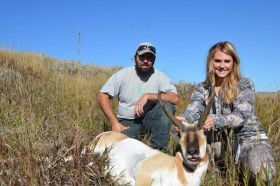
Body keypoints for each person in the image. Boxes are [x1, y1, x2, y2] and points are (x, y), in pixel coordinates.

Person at [177, 41, 276, 183]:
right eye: (217, 61)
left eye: (227, 61)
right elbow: (195, 107)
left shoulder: (244, 84)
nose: (222, 65)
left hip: (247, 140)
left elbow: (241, 116)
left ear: (234, 62)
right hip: (216, 143)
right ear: (211, 62)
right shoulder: (202, 87)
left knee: (264, 174)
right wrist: (183, 118)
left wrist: (215, 120)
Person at [98, 41, 178, 149]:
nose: (145, 61)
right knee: (118, 147)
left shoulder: (159, 76)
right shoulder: (123, 74)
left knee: (168, 106)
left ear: (154, 60)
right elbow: (103, 96)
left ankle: (157, 149)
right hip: (126, 122)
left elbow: (174, 98)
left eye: (149, 58)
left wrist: (148, 96)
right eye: (142, 57)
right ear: (135, 57)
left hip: (148, 119)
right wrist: (114, 122)